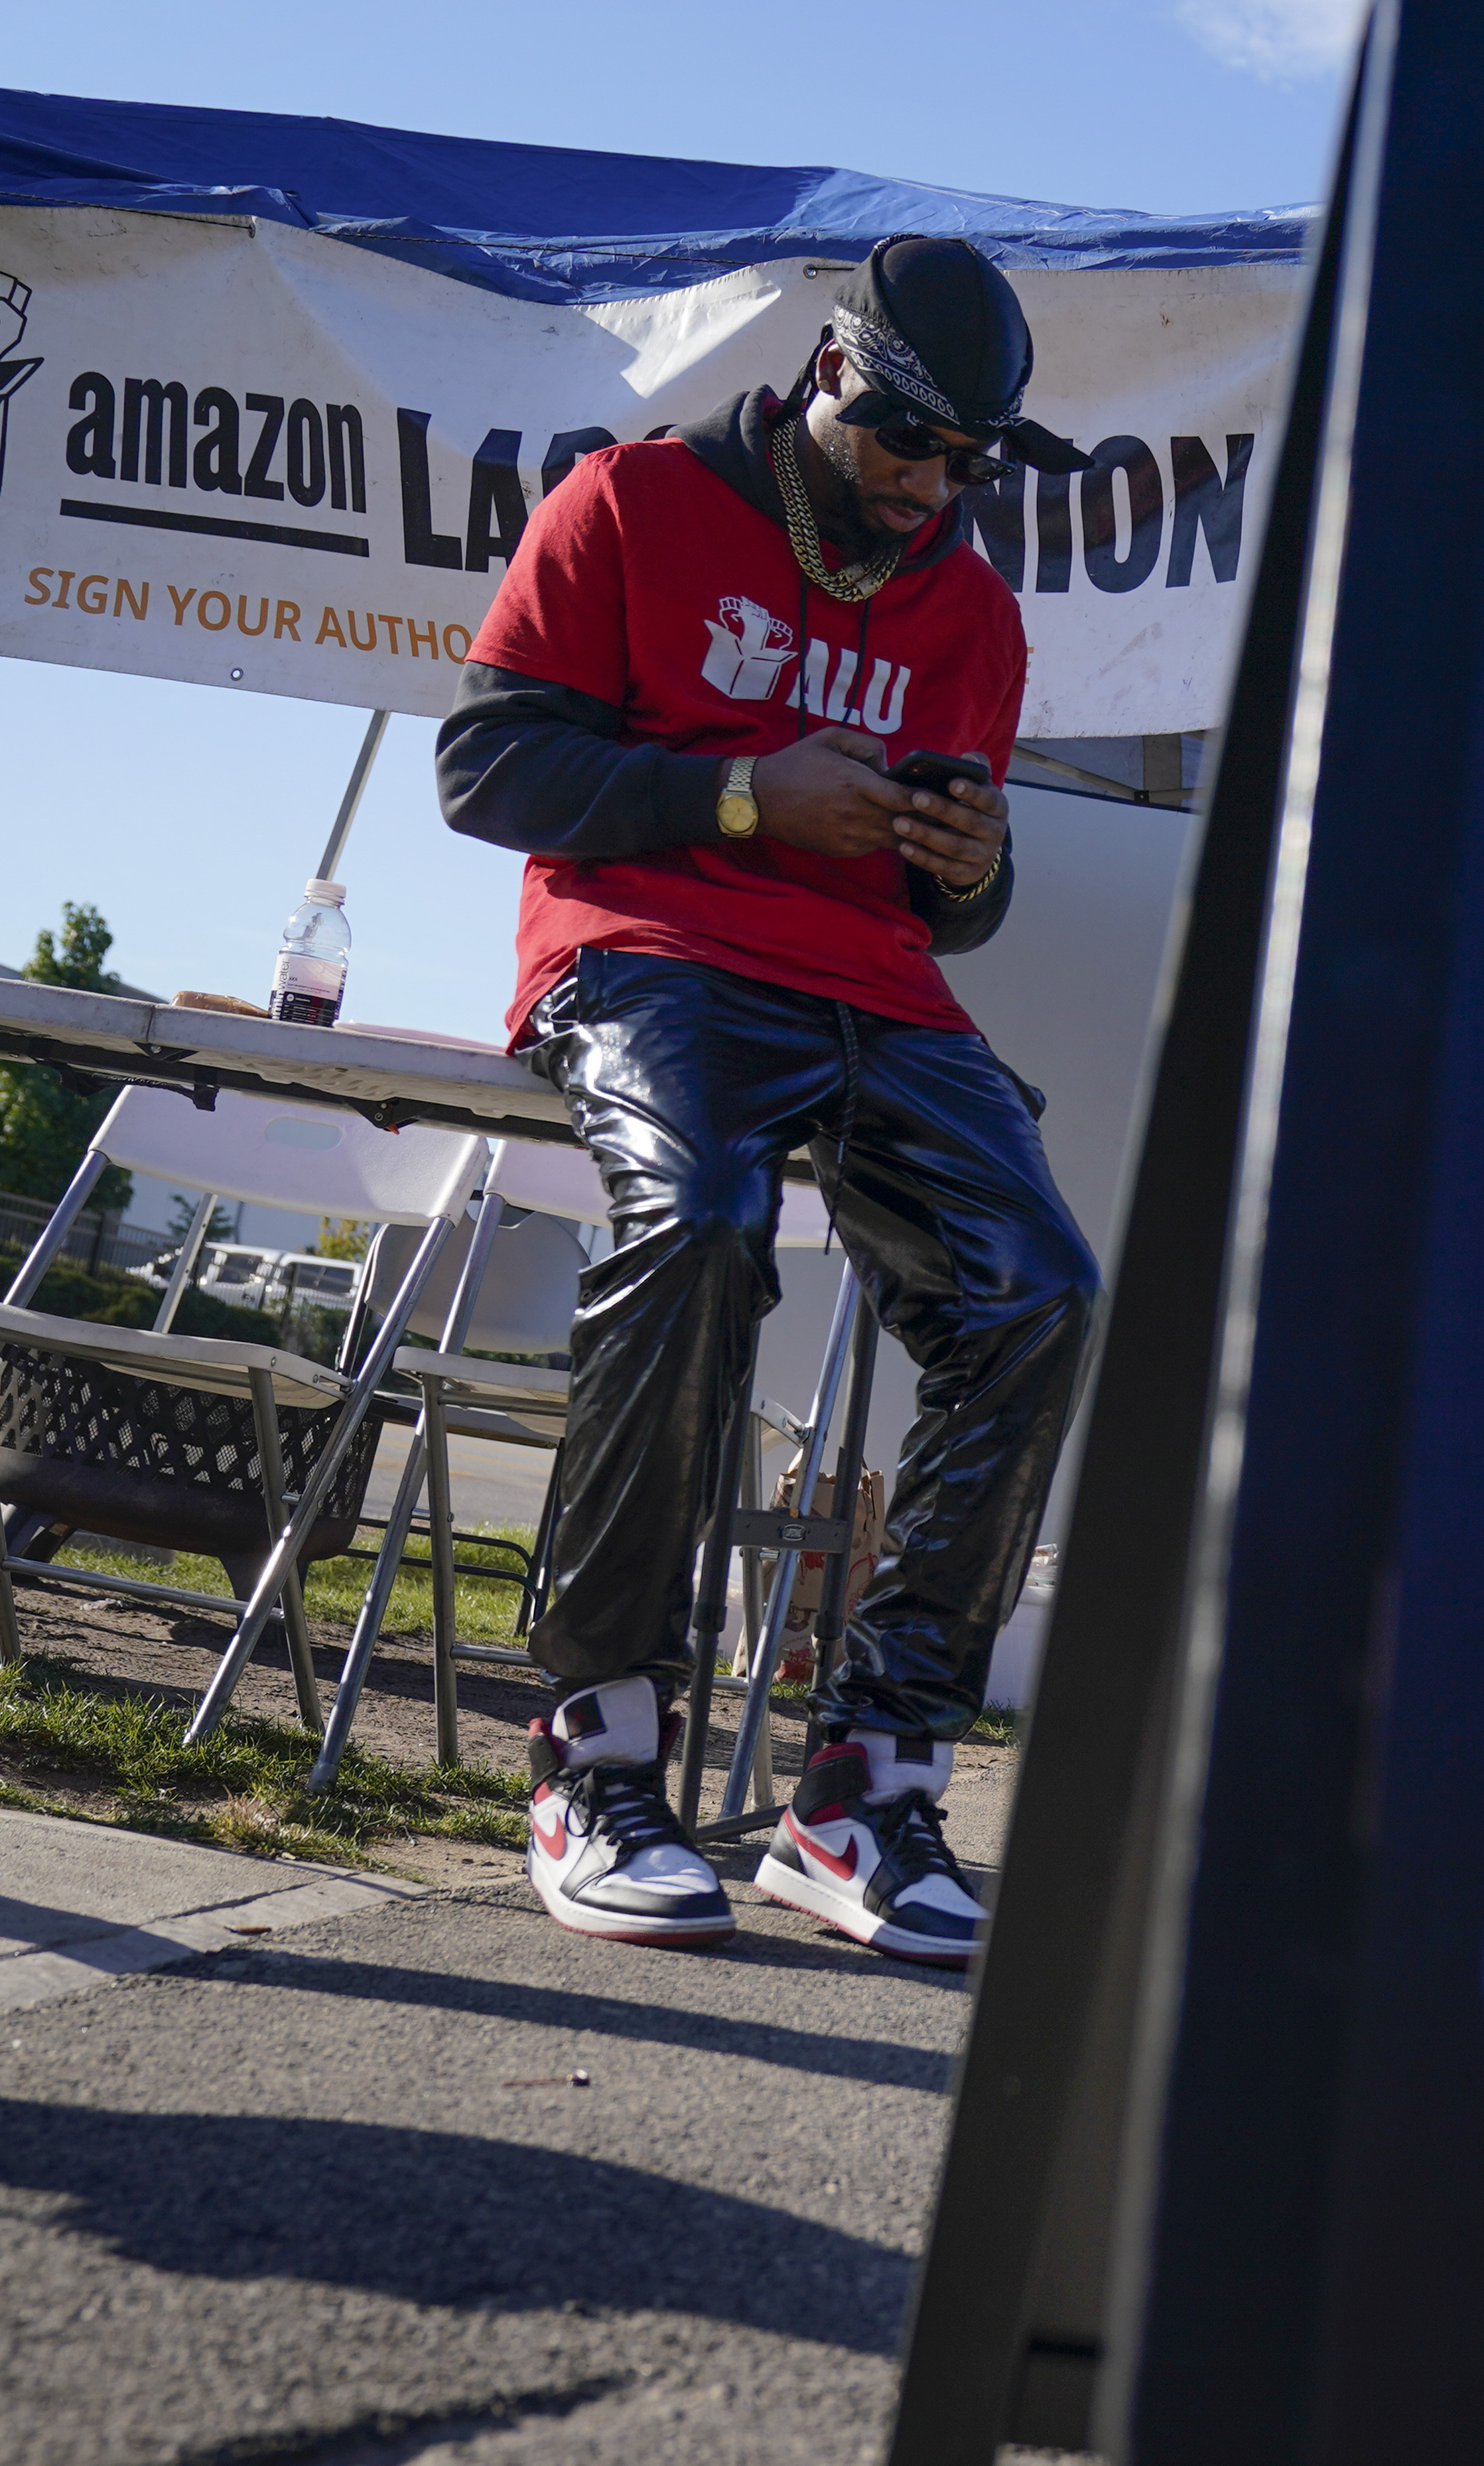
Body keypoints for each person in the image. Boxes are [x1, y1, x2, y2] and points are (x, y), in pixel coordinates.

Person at [436, 234, 1101, 1964]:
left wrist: (976, 862)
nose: (932, 485)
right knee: (708, 1216)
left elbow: (953, 905)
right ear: (828, 370)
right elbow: (486, 764)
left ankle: (865, 1788)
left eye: (969, 460)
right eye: (905, 438)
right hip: (647, 947)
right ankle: (598, 1750)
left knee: (1042, 1290)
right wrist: (741, 804)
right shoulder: (632, 502)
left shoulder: (976, 607)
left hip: (877, 990)